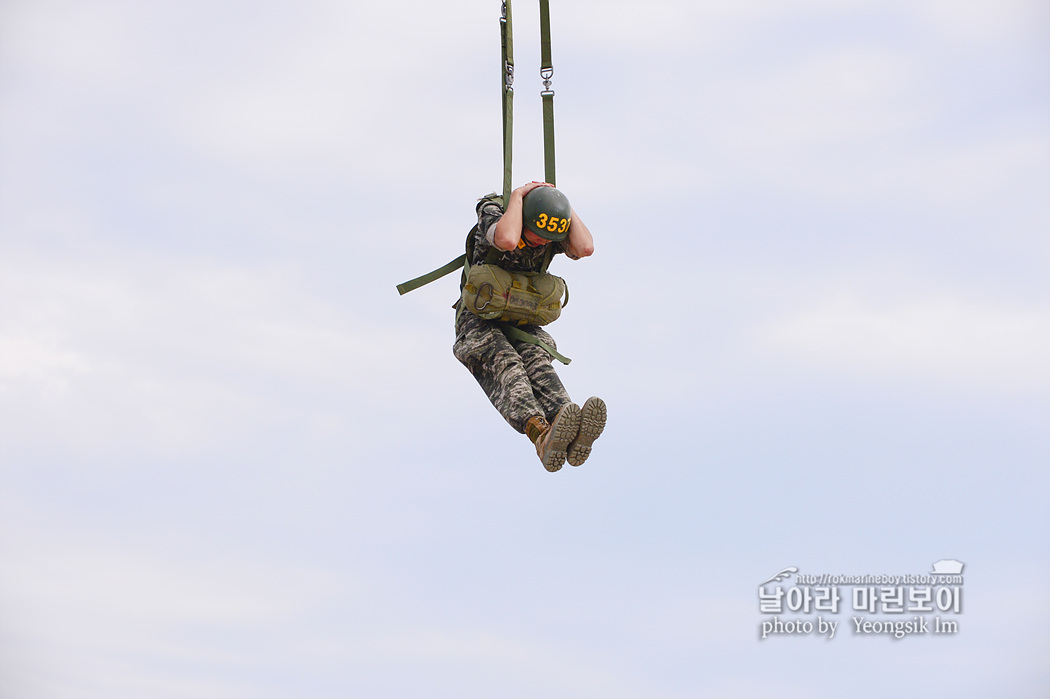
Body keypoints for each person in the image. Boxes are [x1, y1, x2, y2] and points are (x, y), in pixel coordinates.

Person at [453, 181, 606, 472]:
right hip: (479, 320)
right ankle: (540, 434)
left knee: (538, 361)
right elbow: (507, 240)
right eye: (539, 234)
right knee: (507, 363)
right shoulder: (495, 212)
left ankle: (565, 424)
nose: (543, 242)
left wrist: (562, 206)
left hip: (520, 318)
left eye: (550, 237)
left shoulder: (549, 233)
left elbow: (585, 247)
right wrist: (519, 196)